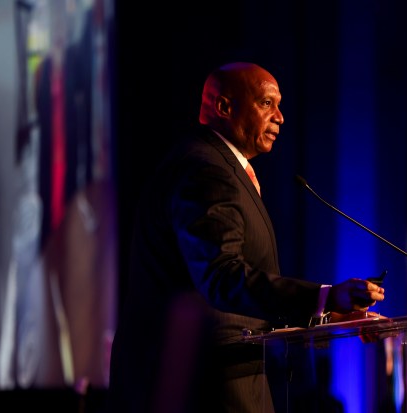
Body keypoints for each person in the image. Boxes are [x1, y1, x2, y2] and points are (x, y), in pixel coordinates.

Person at [107, 62, 386, 413]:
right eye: (266, 103)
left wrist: (329, 316)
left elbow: (236, 296)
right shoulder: (205, 169)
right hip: (199, 383)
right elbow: (221, 278)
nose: (280, 117)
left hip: (220, 375)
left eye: (280, 105)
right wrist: (326, 297)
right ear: (223, 107)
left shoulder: (219, 167)